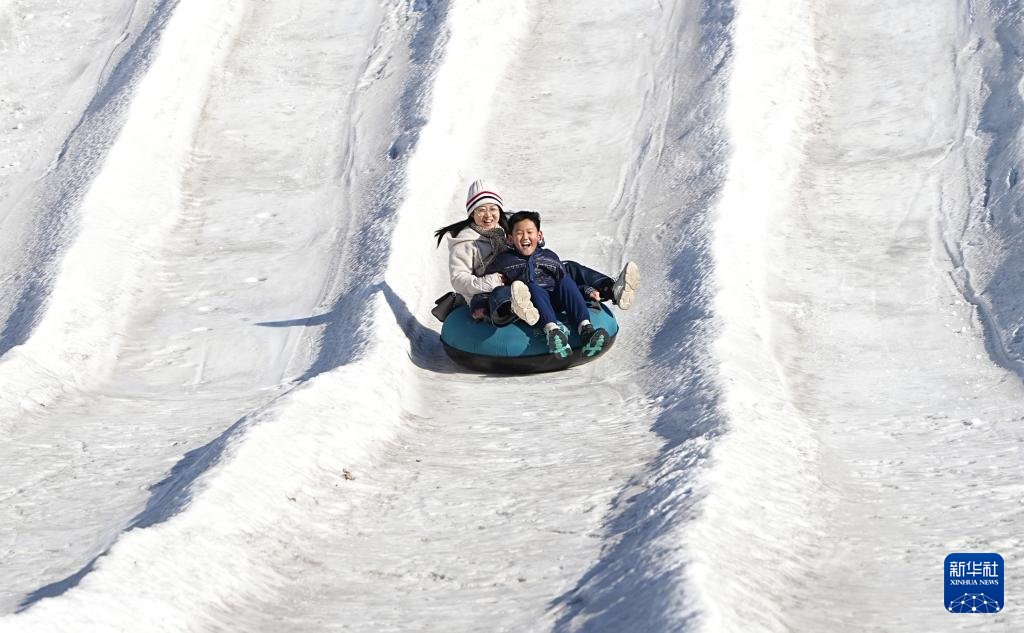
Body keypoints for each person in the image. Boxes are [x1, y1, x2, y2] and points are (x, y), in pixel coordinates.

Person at [433, 180, 639, 324]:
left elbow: (527, 235)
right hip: (492, 288)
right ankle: (520, 310)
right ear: (471, 213)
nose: (488, 215)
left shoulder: (507, 227)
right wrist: (490, 281)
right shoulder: (466, 242)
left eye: (492, 208)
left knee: (568, 268)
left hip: (523, 271)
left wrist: (535, 242)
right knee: (508, 293)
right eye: (481, 210)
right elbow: (458, 280)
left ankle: (611, 289)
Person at [475, 211, 609, 358]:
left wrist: (586, 291)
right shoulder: (504, 261)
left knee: (565, 280)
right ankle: (553, 333)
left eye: (529, 232)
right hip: (530, 306)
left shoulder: (549, 256)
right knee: (532, 287)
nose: (525, 237)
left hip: (555, 300)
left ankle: (586, 330)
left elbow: (568, 286)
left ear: (539, 236)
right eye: (519, 233)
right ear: (510, 239)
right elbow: (486, 286)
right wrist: (479, 306)